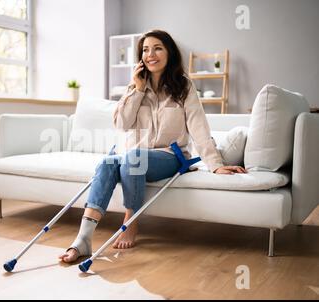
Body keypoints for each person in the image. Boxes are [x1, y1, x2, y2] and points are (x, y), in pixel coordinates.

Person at [59, 29, 247, 263]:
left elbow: (199, 127)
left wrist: (216, 164)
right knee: (108, 162)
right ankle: (83, 239)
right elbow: (121, 123)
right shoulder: (135, 86)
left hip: (171, 156)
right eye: (146, 50)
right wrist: (137, 90)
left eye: (157, 48)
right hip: (135, 158)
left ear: (169, 53)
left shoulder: (184, 86)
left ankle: (131, 222)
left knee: (134, 156)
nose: (151, 54)